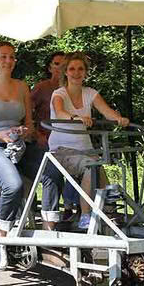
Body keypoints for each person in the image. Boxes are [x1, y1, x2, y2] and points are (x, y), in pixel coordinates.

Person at [0, 41, 62, 269]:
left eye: (12, 57)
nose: (8, 61)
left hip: (18, 145)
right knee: (13, 184)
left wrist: (23, 131)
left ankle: (50, 234)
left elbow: (29, 123)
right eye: (3, 57)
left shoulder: (21, 86)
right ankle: (1, 239)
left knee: (52, 173)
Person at [48, 52, 129, 229]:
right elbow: (60, 112)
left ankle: (107, 212)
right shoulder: (59, 93)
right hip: (62, 150)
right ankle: (86, 216)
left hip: (85, 151)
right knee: (91, 168)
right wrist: (77, 117)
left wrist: (118, 119)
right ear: (65, 73)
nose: (76, 73)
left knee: (100, 173)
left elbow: (106, 111)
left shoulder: (90, 93)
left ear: (85, 72)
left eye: (80, 69)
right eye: (72, 69)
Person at [31, 52, 65, 149]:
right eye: (57, 64)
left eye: (64, 64)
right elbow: (26, 114)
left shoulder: (71, 89)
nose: (60, 68)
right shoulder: (42, 87)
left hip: (67, 140)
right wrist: (38, 136)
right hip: (46, 141)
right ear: (50, 68)